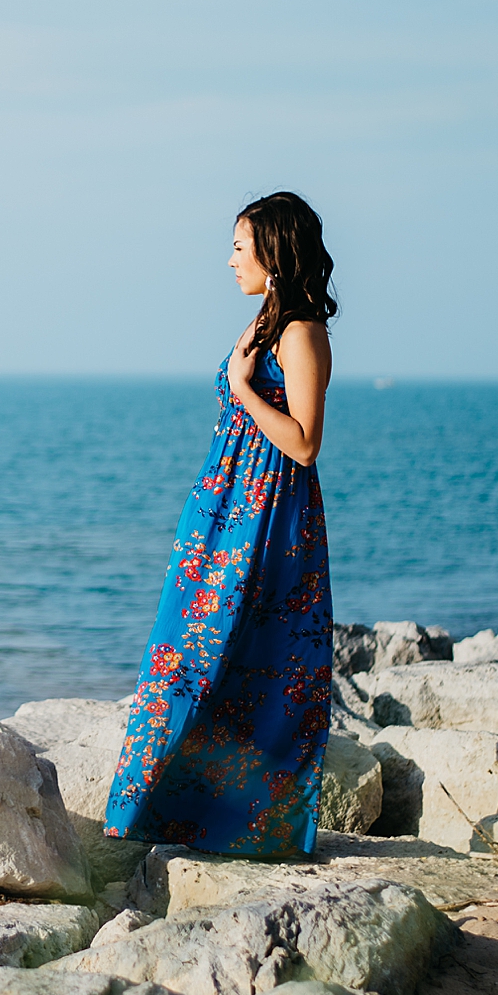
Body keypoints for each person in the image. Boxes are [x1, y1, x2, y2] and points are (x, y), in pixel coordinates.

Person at [101, 191, 337, 858]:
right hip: (224, 508)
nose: (230, 259)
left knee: (258, 659)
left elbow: (305, 442)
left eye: (240, 246)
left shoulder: (300, 332)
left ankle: (252, 826)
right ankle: (161, 808)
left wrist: (242, 390)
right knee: (186, 651)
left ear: (275, 252)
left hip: (270, 518)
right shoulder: (262, 322)